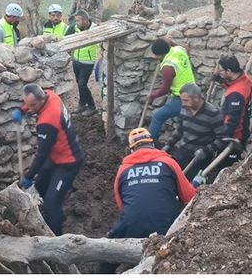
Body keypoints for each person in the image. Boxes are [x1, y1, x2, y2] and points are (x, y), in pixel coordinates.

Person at [97, 128, 196, 274]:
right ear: (153, 144)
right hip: (167, 227)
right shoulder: (169, 163)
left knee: (107, 257)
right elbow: (189, 197)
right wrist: (196, 185)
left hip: (131, 224)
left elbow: (122, 206)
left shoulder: (123, 170)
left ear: (131, 150)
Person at [13, 83, 85, 236]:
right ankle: (55, 216)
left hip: (68, 162)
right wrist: (22, 109)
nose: (30, 108)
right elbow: (34, 100)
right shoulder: (50, 96)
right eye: (28, 104)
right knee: (40, 184)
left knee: (52, 203)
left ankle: (56, 238)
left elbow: (42, 154)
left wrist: (28, 176)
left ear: (40, 101)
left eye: (32, 105)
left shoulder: (47, 121)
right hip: (56, 156)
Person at [162, 84, 227, 180]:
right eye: (182, 100)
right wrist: (168, 145)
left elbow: (223, 138)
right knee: (170, 176)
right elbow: (179, 131)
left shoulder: (213, 114)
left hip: (199, 158)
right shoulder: (184, 109)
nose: (183, 103)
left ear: (196, 98)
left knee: (189, 183)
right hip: (182, 151)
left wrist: (205, 151)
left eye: (186, 100)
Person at [147, 39, 196, 140]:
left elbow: (164, 90)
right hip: (194, 92)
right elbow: (175, 44)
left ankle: (148, 144)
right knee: (183, 122)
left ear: (160, 55)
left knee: (158, 116)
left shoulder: (168, 67)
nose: (156, 58)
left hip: (182, 99)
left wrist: (152, 95)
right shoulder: (179, 50)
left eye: (156, 56)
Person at [210, 54, 252, 170]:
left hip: (233, 139)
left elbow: (232, 122)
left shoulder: (236, 94)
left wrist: (221, 139)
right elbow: (234, 86)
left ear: (228, 71)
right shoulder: (245, 80)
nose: (220, 73)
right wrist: (222, 82)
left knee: (223, 169)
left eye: (221, 71)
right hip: (241, 132)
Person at [70, 10, 100, 116]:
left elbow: (101, 43)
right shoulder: (76, 28)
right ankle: (82, 104)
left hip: (87, 62)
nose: (76, 23)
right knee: (79, 84)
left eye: (78, 20)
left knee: (82, 84)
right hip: (76, 60)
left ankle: (92, 107)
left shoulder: (95, 29)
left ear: (85, 20)